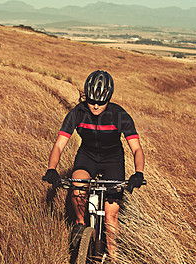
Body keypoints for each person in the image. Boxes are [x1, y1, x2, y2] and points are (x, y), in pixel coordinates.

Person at [42, 70, 145, 261]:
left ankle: (113, 258)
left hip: (113, 161)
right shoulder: (77, 113)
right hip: (87, 157)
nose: (96, 106)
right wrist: (51, 169)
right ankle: (81, 225)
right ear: (86, 96)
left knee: (110, 217)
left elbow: (137, 149)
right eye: (92, 101)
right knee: (78, 187)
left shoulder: (119, 115)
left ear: (109, 98)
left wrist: (138, 173)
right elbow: (59, 144)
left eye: (101, 102)